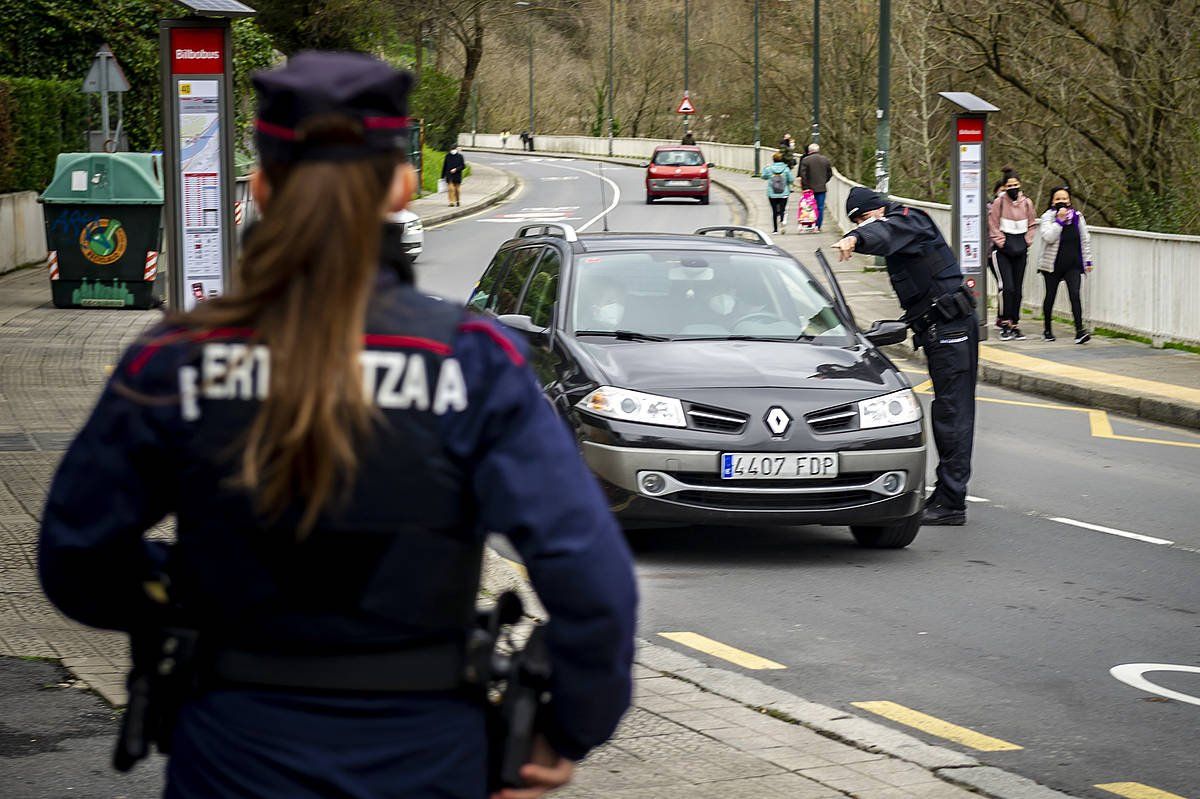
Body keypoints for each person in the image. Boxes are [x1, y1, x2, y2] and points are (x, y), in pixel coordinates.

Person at [38, 51, 637, 799]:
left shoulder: (179, 357)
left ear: (259, 186)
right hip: (428, 758)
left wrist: (184, 591)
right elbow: (595, 584)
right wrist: (565, 728)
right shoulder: (473, 362)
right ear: (403, 184)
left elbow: (75, 559)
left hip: (231, 755)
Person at [833, 187, 978, 526]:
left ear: (878, 210)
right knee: (948, 410)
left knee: (952, 413)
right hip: (938, 328)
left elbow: (884, 231)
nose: (862, 224)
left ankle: (951, 502)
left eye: (863, 218)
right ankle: (948, 494)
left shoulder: (910, 220)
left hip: (951, 328)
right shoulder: (899, 227)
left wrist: (855, 238)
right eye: (855, 222)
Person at [1037, 185, 1094, 343]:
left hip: (1073, 264)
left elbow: (1085, 239)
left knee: (1075, 295)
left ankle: (1079, 331)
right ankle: (1047, 330)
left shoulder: (1077, 217)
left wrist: (1087, 260)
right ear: (1052, 201)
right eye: (1058, 199)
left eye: (1064, 199)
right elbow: (1048, 237)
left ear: (1069, 201)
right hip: (1052, 265)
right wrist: (1060, 221)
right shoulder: (1047, 217)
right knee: (1050, 296)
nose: (1062, 201)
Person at [987, 167, 1038, 341]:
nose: (1013, 188)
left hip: (1020, 250)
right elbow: (993, 226)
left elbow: (1032, 224)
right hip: (1002, 252)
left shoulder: (1027, 203)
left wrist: (1026, 242)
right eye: (1009, 185)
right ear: (1004, 186)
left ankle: (1015, 324)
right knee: (1007, 287)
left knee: (1017, 289)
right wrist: (1003, 243)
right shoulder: (999, 203)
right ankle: (1005, 323)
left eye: (1016, 184)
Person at [798, 143, 833, 232]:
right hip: (821, 188)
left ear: (809, 151)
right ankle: (818, 226)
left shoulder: (805, 160)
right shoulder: (825, 160)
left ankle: (809, 224)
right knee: (820, 207)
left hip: (808, 189)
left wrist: (805, 186)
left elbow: (803, 174)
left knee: (808, 207)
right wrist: (824, 181)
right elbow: (830, 173)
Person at [760, 151, 794, 234]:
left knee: (774, 211)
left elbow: (763, 176)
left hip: (772, 193)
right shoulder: (786, 169)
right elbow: (791, 180)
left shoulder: (769, 169)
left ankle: (775, 230)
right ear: (782, 159)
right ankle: (782, 221)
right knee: (782, 210)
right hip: (784, 193)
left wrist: (765, 167)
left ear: (773, 160)